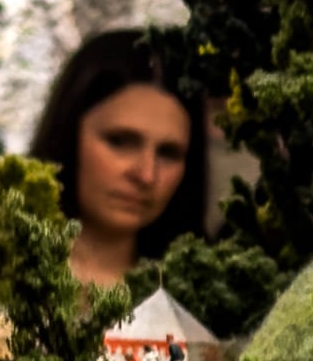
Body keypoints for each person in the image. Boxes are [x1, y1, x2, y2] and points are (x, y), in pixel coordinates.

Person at [33, 29, 213, 295]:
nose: (146, 175)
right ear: (68, 134)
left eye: (168, 153)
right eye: (120, 142)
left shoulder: (205, 295)